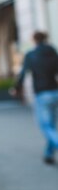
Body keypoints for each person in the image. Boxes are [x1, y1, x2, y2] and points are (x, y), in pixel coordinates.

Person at [13, 31, 58, 164]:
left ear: (34, 40)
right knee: (51, 126)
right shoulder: (53, 52)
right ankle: (48, 155)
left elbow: (23, 74)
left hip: (42, 94)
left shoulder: (31, 55)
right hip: (55, 92)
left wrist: (16, 89)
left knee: (46, 126)